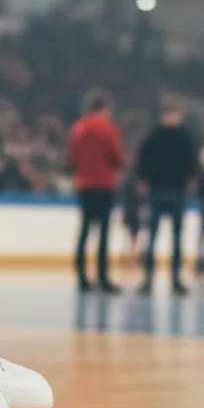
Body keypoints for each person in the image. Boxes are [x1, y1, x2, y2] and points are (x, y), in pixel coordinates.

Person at [137, 99, 199, 295]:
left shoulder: (177, 137)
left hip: (173, 190)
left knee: (175, 238)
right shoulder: (162, 137)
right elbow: (143, 160)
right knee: (154, 236)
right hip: (162, 190)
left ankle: (174, 278)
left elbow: (192, 165)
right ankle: (149, 278)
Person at [68, 90, 125, 293]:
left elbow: (72, 159)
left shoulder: (78, 129)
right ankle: (102, 277)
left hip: (84, 185)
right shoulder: (108, 130)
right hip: (104, 184)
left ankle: (82, 277)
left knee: (84, 231)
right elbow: (118, 159)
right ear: (104, 110)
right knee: (103, 233)